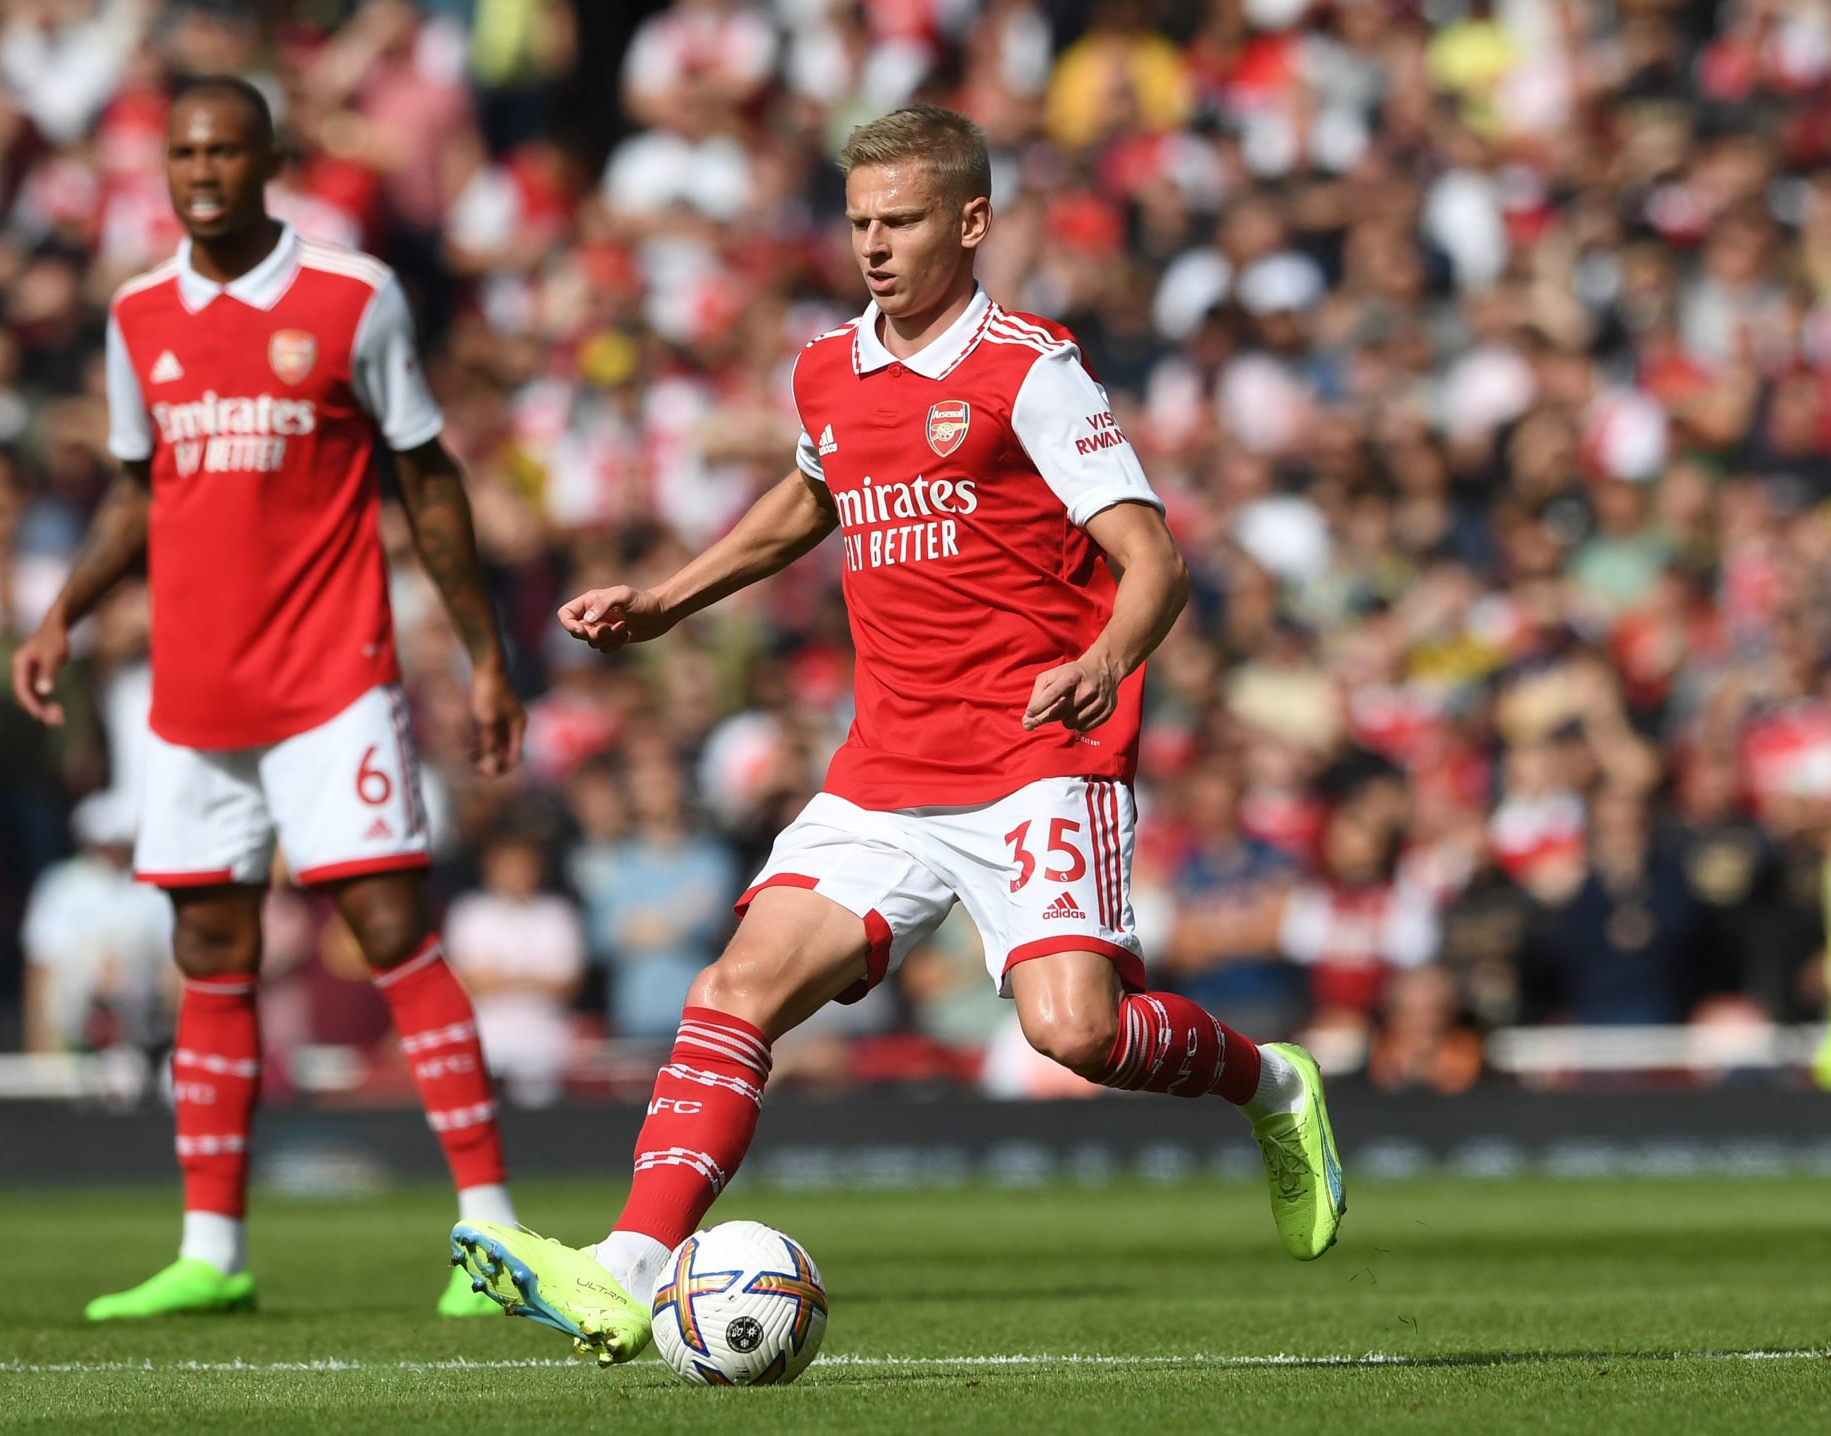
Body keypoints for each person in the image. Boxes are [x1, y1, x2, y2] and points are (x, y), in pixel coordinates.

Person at [449, 105, 1345, 1366]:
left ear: (971, 223)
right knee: (737, 986)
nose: (874, 245)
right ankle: (624, 1268)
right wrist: (670, 594)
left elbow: (1155, 557)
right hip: (886, 766)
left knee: (1074, 1030)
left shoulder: (1031, 369)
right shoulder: (827, 366)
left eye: (903, 220)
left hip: (1039, 755)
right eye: (861, 220)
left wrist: (1102, 660)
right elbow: (812, 495)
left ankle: (1273, 1084)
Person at [10, 76, 527, 1321]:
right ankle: (212, 1247)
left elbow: (426, 472)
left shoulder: (354, 295)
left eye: (226, 151)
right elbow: (140, 488)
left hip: (332, 674)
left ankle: (491, 1229)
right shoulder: (138, 315)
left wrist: (483, 651)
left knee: (391, 924)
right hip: (193, 690)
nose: (202, 171)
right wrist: (65, 608)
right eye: (184, 151)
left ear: (269, 160)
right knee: (209, 951)